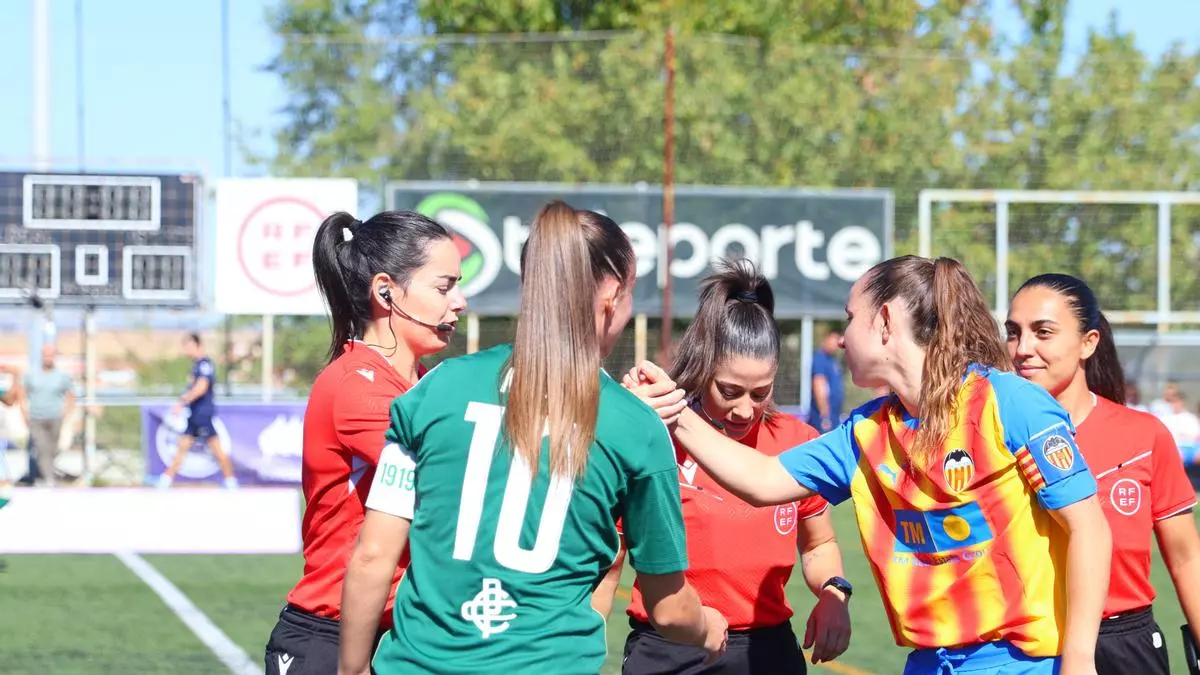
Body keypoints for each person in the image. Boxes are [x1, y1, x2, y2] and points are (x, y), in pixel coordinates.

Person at [627, 255, 1112, 675]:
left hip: (1018, 662)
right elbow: (762, 478)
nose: (840, 340)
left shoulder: (1010, 404)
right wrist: (671, 409)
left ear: (883, 323)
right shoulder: (866, 432)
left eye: (849, 318)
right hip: (927, 660)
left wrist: (1079, 660)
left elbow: (1088, 528)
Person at [338, 201, 728, 675]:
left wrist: (351, 669)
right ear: (612, 292)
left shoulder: (436, 389)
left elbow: (373, 556)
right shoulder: (636, 427)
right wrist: (706, 626)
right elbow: (668, 609)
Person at [604, 258, 851, 674]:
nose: (744, 409)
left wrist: (834, 593)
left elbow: (818, 544)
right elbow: (611, 562)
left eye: (761, 393)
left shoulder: (796, 441)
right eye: (730, 390)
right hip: (668, 650)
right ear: (703, 365)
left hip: (767, 651)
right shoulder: (656, 436)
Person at [263, 209, 467, 675]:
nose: (460, 301)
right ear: (385, 291)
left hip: (404, 636)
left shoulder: (426, 384)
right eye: (444, 286)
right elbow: (456, 471)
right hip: (330, 638)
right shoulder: (355, 385)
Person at [1006, 273, 1200, 675]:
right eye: (1013, 333)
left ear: (1088, 342)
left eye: (1043, 332)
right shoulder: (987, 435)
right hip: (1019, 650)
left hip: (1125, 646)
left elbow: (1186, 558)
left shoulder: (1143, 435)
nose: (1024, 349)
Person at [158, 333, 237, 489]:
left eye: (189, 347)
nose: (187, 351)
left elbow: (201, 387)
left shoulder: (204, 365)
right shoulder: (197, 365)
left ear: (198, 346)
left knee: (216, 447)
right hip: (194, 414)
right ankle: (166, 479)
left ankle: (231, 480)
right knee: (182, 446)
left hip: (202, 414)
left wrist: (182, 402)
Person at [21, 344, 75, 486]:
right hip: (36, 417)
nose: (48, 358)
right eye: (46, 355)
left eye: (51, 355)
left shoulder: (62, 376)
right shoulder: (31, 375)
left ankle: (48, 473)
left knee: (53, 448)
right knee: (41, 447)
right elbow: (22, 394)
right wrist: (24, 411)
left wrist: (66, 412)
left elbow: (71, 395)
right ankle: (49, 479)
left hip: (55, 416)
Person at [809, 326, 844, 433]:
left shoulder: (832, 360)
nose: (835, 345)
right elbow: (818, 383)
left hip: (834, 414)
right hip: (824, 416)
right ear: (826, 339)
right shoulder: (820, 358)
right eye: (833, 340)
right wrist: (824, 414)